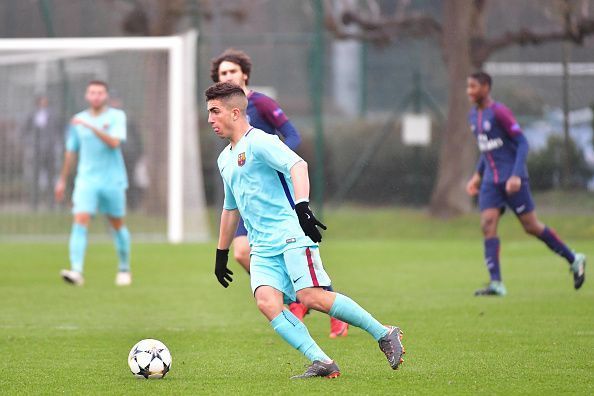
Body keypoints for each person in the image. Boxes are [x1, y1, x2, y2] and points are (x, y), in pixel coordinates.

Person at [207, 82, 405, 379]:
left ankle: (384, 332)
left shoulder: (260, 141)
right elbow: (229, 208)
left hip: (291, 235)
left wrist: (302, 207)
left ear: (235, 113)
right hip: (261, 246)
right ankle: (322, 361)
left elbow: (298, 165)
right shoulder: (225, 158)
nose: (210, 119)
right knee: (267, 302)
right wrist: (221, 253)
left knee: (311, 296)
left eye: (214, 111)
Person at [210, 48, 348, 337]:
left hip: (273, 194)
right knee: (241, 253)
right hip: (246, 198)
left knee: (297, 265)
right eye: (223, 73)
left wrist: (282, 161)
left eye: (232, 71)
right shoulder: (221, 113)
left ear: (244, 74)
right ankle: (289, 297)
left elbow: (292, 134)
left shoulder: (259, 104)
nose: (228, 76)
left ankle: (323, 305)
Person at [465, 71, 586, 296]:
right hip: (491, 183)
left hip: (512, 180)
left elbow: (522, 142)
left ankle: (574, 258)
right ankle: (496, 284)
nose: (469, 91)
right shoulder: (473, 116)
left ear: (486, 87)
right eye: (468, 87)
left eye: (473, 87)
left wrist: (516, 175)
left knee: (531, 226)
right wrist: (477, 176)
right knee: (487, 224)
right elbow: (487, 149)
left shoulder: (499, 112)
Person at [54, 80, 132, 287]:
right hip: (86, 180)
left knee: (116, 224)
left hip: (113, 180)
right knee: (80, 219)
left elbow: (114, 142)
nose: (96, 96)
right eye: (92, 92)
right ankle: (76, 271)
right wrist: (62, 180)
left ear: (105, 95)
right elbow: (71, 151)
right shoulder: (77, 121)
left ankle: (124, 268)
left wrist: (91, 126)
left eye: (100, 92)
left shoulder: (116, 116)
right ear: (87, 96)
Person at [23, 95, 62, 210]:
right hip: (36, 150)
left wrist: (56, 143)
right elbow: (24, 130)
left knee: (51, 178)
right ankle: (34, 204)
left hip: (50, 150)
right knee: (35, 178)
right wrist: (30, 143)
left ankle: (51, 204)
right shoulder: (32, 114)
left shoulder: (53, 114)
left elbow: (59, 130)